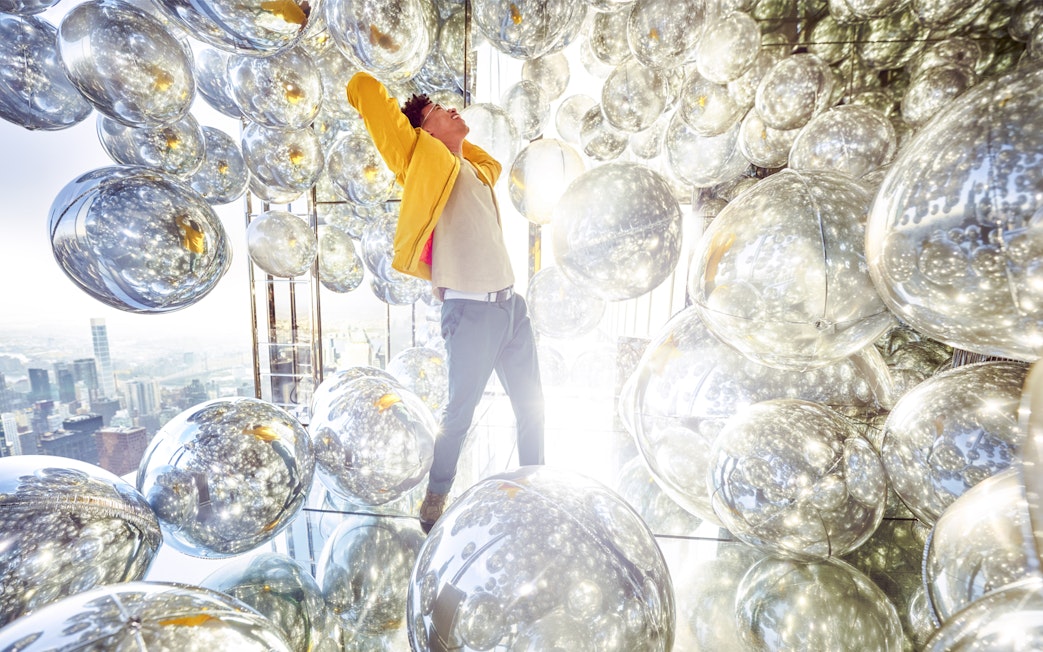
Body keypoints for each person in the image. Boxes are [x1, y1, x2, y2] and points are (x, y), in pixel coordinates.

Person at [347, 72, 545, 533]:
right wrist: (415, 121)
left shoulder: (472, 171)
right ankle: (437, 494)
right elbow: (363, 87)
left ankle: (538, 483)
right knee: (459, 415)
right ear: (424, 132)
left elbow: (490, 163)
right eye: (441, 110)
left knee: (533, 407)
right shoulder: (421, 161)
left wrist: (452, 137)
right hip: (472, 312)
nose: (454, 110)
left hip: (511, 308)